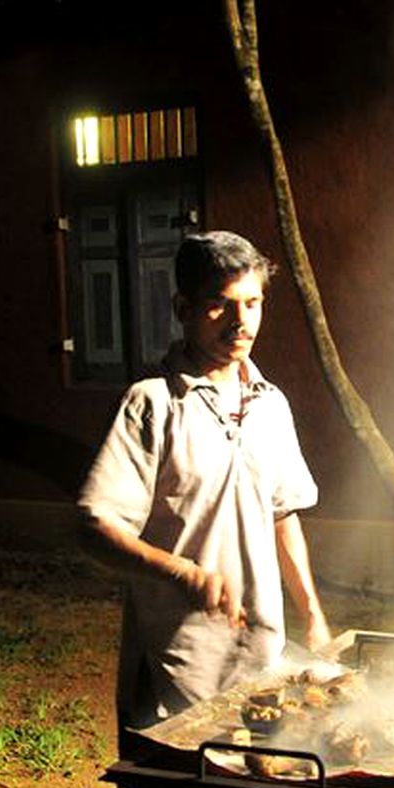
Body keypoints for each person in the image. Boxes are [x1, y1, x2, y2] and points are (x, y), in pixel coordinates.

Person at [77, 230, 329, 758]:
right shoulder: (152, 405)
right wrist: (182, 573)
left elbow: (283, 515)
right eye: (221, 306)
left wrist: (311, 613)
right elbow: (96, 528)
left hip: (262, 660)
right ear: (183, 307)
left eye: (253, 303)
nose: (242, 323)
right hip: (176, 672)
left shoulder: (271, 404)